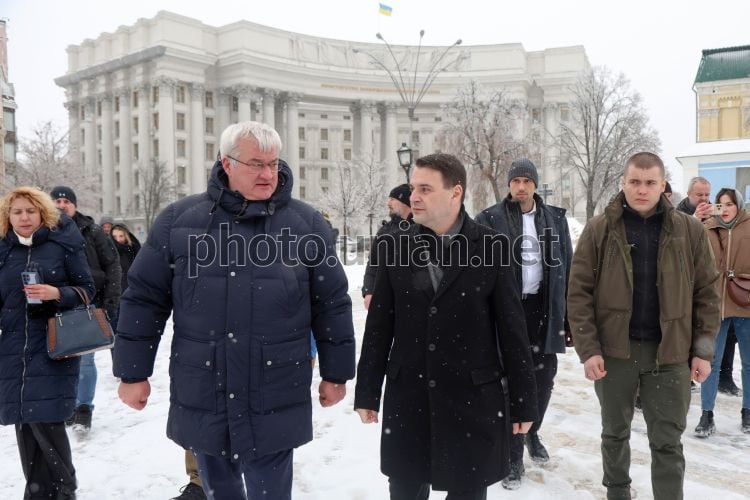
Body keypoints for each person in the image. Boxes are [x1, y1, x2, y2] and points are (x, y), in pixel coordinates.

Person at [114, 121, 355, 500]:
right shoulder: (179, 222)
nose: (268, 174)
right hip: (205, 387)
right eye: (256, 164)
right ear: (227, 163)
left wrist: (336, 373)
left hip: (275, 388)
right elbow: (144, 298)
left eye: (273, 163)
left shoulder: (306, 224)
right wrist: (132, 372)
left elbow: (331, 303)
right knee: (219, 491)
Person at [354, 153, 538, 500]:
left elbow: (512, 331)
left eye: (425, 189)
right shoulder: (393, 247)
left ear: (456, 192)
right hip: (409, 401)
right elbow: (379, 327)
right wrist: (367, 391)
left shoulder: (493, 247)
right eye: (413, 188)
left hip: (471, 401)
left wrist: (524, 401)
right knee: (405, 491)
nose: (414, 197)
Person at [568, 152, 720, 500]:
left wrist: (703, 350)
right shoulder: (599, 230)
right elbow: (578, 294)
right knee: (614, 434)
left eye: (650, 182)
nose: (641, 189)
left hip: (670, 355)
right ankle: (617, 493)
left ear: (663, 185)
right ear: (623, 183)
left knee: (668, 441)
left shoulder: (689, 231)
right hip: (615, 354)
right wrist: (589, 350)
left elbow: (708, 293)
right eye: (634, 181)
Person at [474, 158, 572, 490]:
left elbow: (567, 268)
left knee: (544, 379)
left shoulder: (554, 219)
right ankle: (513, 455)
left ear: (534, 185)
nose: (521, 186)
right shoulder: (490, 219)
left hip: (543, 310)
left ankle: (531, 430)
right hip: (507, 312)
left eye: (526, 181)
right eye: (515, 181)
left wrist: (567, 318)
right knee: (511, 382)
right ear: (509, 185)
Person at [0, 186, 96, 499]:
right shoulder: (4, 250)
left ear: (42, 213)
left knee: (48, 423)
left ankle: (64, 491)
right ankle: (37, 492)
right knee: (26, 426)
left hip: (54, 346)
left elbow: (87, 290)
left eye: (30, 210)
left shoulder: (62, 244)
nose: (24, 217)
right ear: (8, 216)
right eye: (17, 212)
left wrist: (57, 293)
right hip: (13, 350)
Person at [50, 186, 121, 431]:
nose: (61, 205)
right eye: (57, 201)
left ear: (75, 205)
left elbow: (112, 265)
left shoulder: (92, 231)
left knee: (85, 360)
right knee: (60, 360)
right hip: (55, 304)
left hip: (88, 302)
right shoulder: (44, 230)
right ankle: (68, 406)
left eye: (66, 201)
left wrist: (110, 301)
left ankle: (83, 408)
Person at [676, 178, 740, 395]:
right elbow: (676, 245)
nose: (704, 199)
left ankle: (724, 376)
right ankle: (685, 376)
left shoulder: (716, 213)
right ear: (689, 194)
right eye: (699, 195)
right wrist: (695, 220)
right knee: (685, 330)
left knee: (724, 331)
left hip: (713, 281)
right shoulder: (678, 215)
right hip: (685, 283)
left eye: (707, 194)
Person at [694, 188, 750, 437]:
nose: (725, 209)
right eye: (721, 204)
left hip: (745, 302)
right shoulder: (706, 228)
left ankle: (748, 411)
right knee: (710, 361)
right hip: (715, 306)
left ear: (739, 205)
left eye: (730, 204)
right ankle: (707, 415)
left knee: (749, 363)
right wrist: (696, 220)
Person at [362, 183, 413, 310]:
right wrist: (369, 291)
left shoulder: (422, 228)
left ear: (405, 203)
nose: (388, 203)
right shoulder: (384, 230)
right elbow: (373, 264)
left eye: (393, 199)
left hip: (414, 302)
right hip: (385, 301)